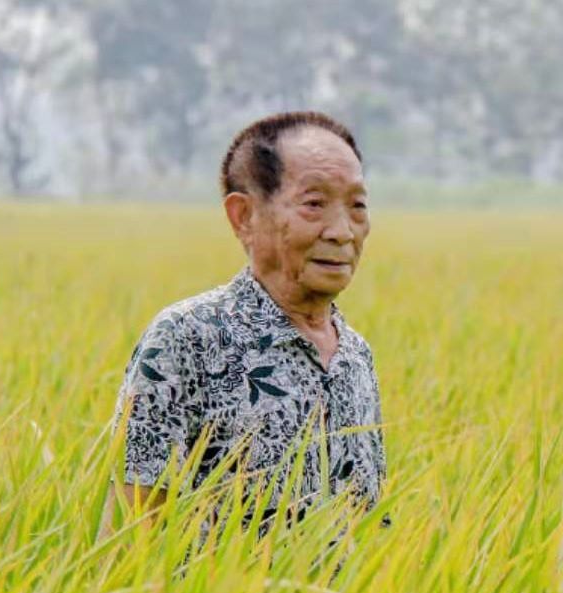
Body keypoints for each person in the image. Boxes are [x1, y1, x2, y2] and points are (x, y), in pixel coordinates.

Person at [101, 110, 389, 548]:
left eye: (358, 206)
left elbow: (371, 526)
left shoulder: (355, 355)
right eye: (314, 204)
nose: (342, 232)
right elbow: (129, 534)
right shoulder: (187, 338)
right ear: (244, 216)